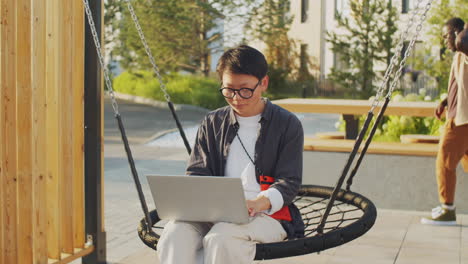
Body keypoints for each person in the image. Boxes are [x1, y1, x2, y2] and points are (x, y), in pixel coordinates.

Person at [157, 45, 305, 264]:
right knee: (174, 235)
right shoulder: (213, 122)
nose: (237, 98)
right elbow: (197, 173)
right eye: (229, 90)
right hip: (212, 211)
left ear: (263, 83)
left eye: (245, 90)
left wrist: (258, 203)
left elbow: (289, 182)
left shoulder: (286, 124)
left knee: (222, 238)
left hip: (266, 214)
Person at [421, 18, 468, 226]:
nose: (444, 40)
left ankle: (447, 210)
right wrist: (445, 101)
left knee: (444, 161)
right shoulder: (460, 56)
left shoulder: (465, 49)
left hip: (461, 120)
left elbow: (462, 42)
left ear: (458, 32)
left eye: (446, 34)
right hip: (459, 115)